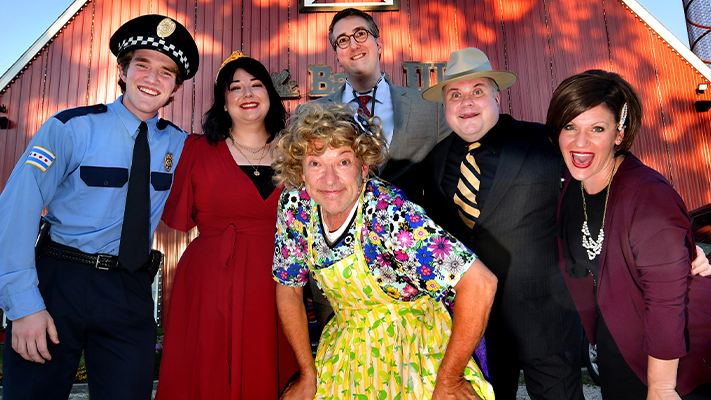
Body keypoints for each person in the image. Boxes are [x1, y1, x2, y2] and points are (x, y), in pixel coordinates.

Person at [414, 48, 711, 400]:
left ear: (497, 94)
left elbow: (612, 184)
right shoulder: (433, 163)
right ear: (446, 105)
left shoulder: (547, 142)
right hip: (477, 330)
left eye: (477, 91)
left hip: (548, 321)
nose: (466, 102)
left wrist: (680, 246)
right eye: (455, 94)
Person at [0, 14, 199, 400]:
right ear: (122, 69)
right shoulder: (70, 128)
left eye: (166, 73)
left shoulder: (181, 147)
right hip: (57, 281)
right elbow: (17, 209)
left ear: (176, 88)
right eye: (142, 65)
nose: (152, 79)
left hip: (128, 289)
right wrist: (23, 305)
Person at [272, 102, 496, 400]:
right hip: (346, 343)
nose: (329, 180)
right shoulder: (295, 206)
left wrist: (451, 378)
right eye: (315, 163)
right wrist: (307, 373)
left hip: (414, 344)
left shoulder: (388, 213)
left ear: (363, 167)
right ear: (300, 170)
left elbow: (480, 283)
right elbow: (288, 287)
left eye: (342, 162)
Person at [546, 69, 711, 400]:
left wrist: (662, 387)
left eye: (597, 128)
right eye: (570, 127)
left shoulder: (647, 196)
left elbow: (665, 300)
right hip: (618, 344)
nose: (580, 143)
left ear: (619, 134)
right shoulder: (571, 186)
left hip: (683, 358)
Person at [154, 51, 298, 399]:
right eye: (235, 88)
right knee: (208, 374)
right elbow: (173, 215)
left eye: (256, 85)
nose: (247, 94)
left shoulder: (297, 152)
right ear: (223, 100)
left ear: (270, 94)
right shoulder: (195, 149)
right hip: (210, 281)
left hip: (279, 282)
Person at [307, 5, 452, 335]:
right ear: (336, 55)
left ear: (379, 42)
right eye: (342, 40)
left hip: (413, 264)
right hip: (341, 270)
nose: (354, 44)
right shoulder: (314, 113)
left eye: (361, 34)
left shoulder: (429, 109)